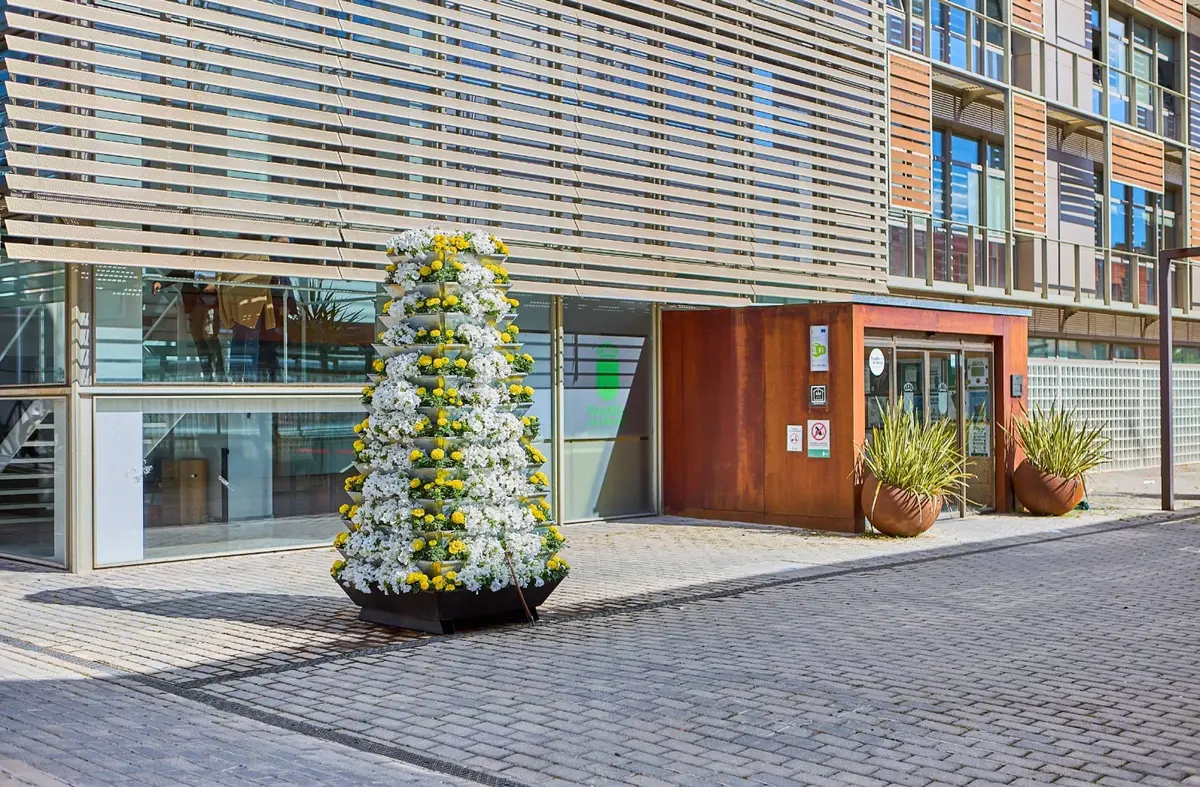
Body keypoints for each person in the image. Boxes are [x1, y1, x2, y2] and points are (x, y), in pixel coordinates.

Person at [219, 235, 277, 382]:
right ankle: (249, 378)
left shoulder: (230, 247)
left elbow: (220, 274)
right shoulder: (259, 250)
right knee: (250, 341)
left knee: (239, 339)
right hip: (252, 300)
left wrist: (225, 294)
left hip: (234, 300)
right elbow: (266, 274)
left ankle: (236, 376)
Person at [152, 270, 225, 381]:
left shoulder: (215, 253)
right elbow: (176, 273)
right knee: (199, 339)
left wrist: (215, 285)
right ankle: (207, 377)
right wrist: (161, 283)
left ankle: (221, 376)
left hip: (210, 301)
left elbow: (223, 273)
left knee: (209, 335)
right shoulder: (190, 253)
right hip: (192, 302)